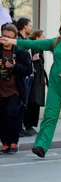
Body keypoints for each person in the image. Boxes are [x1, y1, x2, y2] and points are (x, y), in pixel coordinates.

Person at [1, 17, 61, 159]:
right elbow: (34, 42)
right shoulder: (55, 42)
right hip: (55, 83)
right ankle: (41, 145)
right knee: (49, 115)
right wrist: (12, 41)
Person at [0, 24, 32, 154]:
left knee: (12, 115)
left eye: (9, 38)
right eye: (4, 37)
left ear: (14, 38)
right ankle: (5, 142)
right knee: (1, 117)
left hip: (15, 90)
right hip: (0, 89)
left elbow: (29, 70)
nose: (6, 40)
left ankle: (13, 141)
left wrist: (15, 66)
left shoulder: (21, 52)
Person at [23, 30, 47, 137]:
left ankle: (31, 125)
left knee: (36, 103)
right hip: (34, 80)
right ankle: (28, 125)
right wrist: (32, 60)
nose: (44, 39)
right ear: (37, 38)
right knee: (32, 102)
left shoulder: (39, 48)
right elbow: (26, 61)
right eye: (43, 37)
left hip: (39, 80)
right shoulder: (32, 47)